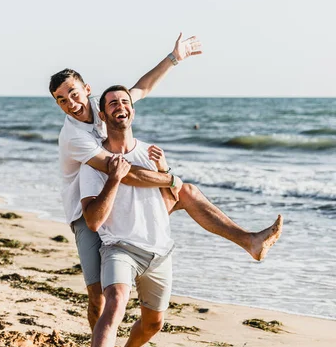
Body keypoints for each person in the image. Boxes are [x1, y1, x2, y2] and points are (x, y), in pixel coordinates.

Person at [49, 35, 282, 330]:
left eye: (74, 93)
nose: (71, 103)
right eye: (62, 100)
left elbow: (141, 89)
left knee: (188, 192)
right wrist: (169, 176)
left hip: (124, 196)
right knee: (98, 297)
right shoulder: (73, 137)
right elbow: (124, 172)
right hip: (89, 210)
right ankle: (99, 345)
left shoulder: (104, 105)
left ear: (87, 90)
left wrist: (174, 58)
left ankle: (249, 240)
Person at [79, 85, 176, 347]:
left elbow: (171, 201)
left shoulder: (150, 153)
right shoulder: (95, 161)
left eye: (125, 101)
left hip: (159, 251)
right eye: (112, 103)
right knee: (116, 302)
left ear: (132, 110)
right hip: (119, 247)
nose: (120, 106)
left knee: (153, 323)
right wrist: (114, 178)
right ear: (104, 114)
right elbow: (93, 221)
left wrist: (165, 169)